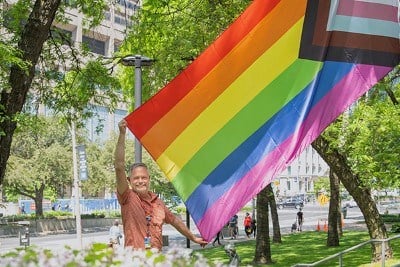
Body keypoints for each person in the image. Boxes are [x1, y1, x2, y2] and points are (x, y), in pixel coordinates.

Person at [114, 119, 208, 251]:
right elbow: (119, 166)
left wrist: (193, 237)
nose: (140, 181)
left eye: (143, 177)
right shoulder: (127, 197)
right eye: (136, 178)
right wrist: (122, 134)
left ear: (149, 179)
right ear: (129, 180)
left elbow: (175, 221)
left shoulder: (158, 203)